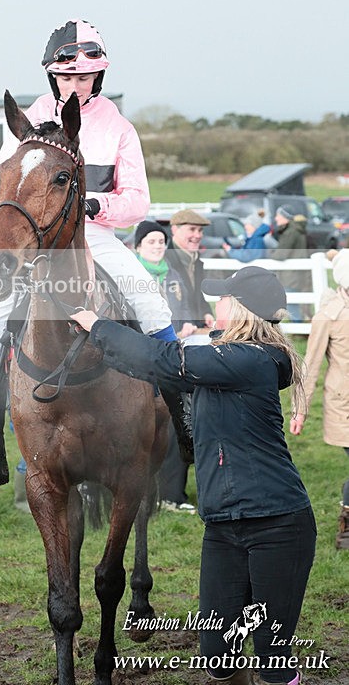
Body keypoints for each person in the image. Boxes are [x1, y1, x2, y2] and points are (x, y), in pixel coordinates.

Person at [0, 18, 179, 497]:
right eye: (66, 76)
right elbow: (11, 179)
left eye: (85, 77)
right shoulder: (30, 117)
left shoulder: (119, 128)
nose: (75, 84)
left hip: (93, 234)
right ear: (52, 76)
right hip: (37, 237)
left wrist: (96, 205)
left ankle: (185, 423)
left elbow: (138, 200)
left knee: (151, 303)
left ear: (99, 77)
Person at [71, 266, 315, 685]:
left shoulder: (248, 360)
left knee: (272, 653)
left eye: (223, 297)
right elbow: (157, 367)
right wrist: (102, 345)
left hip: (277, 524)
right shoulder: (229, 358)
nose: (214, 302)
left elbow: (163, 359)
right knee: (218, 655)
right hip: (222, 524)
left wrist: (99, 326)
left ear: (240, 309)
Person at [134, 218, 197, 514]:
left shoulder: (173, 276)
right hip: (138, 363)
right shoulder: (128, 277)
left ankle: (171, 493)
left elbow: (185, 310)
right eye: (151, 242)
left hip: (172, 359)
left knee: (175, 422)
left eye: (161, 241)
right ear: (137, 247)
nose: (158, 246)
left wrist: (190, 324)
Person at [294, 248, 349, 549]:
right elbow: (311, 366)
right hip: (345, 405)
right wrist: (300, 411)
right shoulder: (329, 315)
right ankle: (346, 525)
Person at [165, 209, 214, 340]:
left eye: (200, 230)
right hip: (173, 333)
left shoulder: (197, 261)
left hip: (193, 331)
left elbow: (197, 295)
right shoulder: (164, 261)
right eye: (192, 229)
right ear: (175, 230)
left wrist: (206, 312)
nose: (198, 235)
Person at [269, 204, 309, 322]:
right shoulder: (295, 230)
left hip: (291, 275)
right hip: (294, 274)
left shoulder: (291, 232)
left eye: (278, 215)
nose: (276, 218)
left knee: (291, 302)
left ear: (285, 217)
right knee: (292, 302)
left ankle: (298, 327)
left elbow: (281, 254)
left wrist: (270, 254)